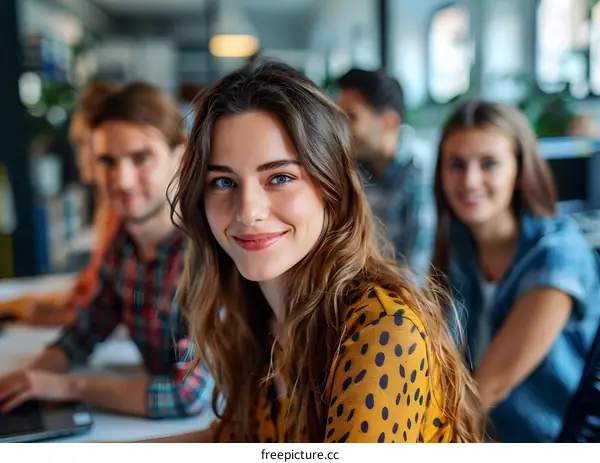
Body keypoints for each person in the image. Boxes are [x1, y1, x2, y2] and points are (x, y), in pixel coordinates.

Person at [148, 60, 484, 443]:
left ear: (331, 189)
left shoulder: (382, 329)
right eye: (223, 181)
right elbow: (236, 439)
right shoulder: (256, 316)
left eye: (280, 177)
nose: (248, 211)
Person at [0, 82, 212, 419]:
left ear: (181, 156)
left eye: (141, 158)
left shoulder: (207, 253)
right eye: (108, 161)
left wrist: (69, 387)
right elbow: (86, 329)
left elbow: (186, 395)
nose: (122, 180)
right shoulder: (124, 243)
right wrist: (28, 380)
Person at [431, 100, 600, 442]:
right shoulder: (458, 244)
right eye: (456, 165)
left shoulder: (557, 255)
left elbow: (487, 390)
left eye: (489, 163)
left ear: (521, 171)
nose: (469, 180)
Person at [0, 81, 121, 325]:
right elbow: (92, 283)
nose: (77, 155)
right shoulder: (107, 203)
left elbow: (114, 305)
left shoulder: (126, 209)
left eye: (80, 142)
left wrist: (51, 313)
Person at [335, 69, 436, 276]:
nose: (340, 129)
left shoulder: (420, 172)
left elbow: (416, 271)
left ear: (390, 122)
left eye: (351, 117)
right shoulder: (353, 168)